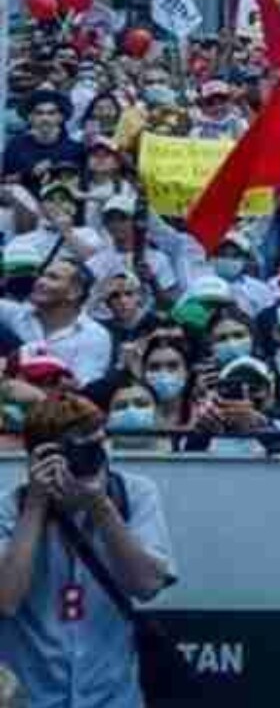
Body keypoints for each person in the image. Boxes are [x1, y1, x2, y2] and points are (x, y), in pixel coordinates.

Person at [0, 393, 176, 708]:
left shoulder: (133, 494)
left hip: (113, 696)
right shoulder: (11, 507)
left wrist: (100, 505)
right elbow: (5, 600)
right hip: (31, 697)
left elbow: (148, 586)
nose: (90, 458)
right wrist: (36, 505)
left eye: (96, 445)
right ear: (39, 456)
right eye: (75, 448)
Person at [0, 256, 113, 386]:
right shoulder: (15, 313)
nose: (40, 281)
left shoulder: (94, 335)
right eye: (42, 275)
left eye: (52, 278)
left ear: (74, 292)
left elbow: (83, 385)